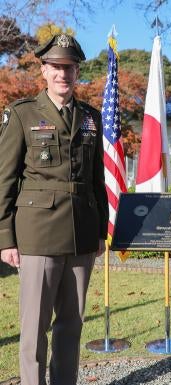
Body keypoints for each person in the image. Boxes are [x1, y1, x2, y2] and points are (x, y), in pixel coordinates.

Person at [0, 34, 108, 385]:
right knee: (34, 327)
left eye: (70, 68)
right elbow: (5, 179)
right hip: (38, 232)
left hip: (81, 234)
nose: (64, 74)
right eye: (57, 67)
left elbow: (96, 180)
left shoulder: (91, 118)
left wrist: (100, 231)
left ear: (78, 72)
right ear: (44, 71)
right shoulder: (22, 114)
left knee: (71, 324)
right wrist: (5, 237)